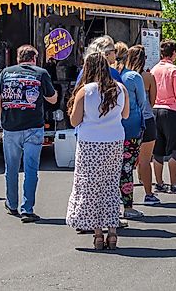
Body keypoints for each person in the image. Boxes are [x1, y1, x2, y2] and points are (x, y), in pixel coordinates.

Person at [65, 52, 130, 251]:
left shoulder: (86, 91)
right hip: (114, 141)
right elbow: (125, 115)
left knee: (91, 187)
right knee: (110, 185)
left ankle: (98, 234)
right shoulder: (120, 88)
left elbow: (74, 121)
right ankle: (112, 233)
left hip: (91, 143)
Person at [0, 45, 57, 221]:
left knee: (11, 168)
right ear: (34, 59)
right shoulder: (41, 73)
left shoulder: (6, 72)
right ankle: (27, 209)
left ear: (18, 58)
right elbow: (52, 98)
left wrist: (2, 118)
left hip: (11, 128)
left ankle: (12, 204)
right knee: (31, 169)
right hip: (33, 127)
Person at [151, 40, 176, 194]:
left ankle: (159, 182)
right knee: (174, 148)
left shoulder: (154, 69)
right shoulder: (174, 70)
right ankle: (174, 183)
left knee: (158, 149)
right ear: (173, 53)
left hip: (156, 109)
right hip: (172, 110)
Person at [127, 45, 160, 206]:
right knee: (145, 160)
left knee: (125, 161)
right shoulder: (148, 77)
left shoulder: (124, 76)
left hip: (127, 121)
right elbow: (153, 102)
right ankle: (148, 193)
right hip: (146, 119)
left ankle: (124, 195)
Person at [119, 46, 148, 219]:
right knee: (127, 167)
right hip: (132, 126)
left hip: (114, 128)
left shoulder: (115, 76)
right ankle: (128, 206)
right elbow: (142, 102)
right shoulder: (134, 77)